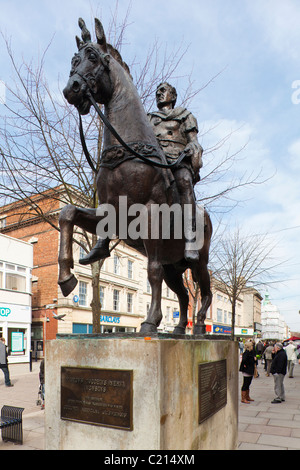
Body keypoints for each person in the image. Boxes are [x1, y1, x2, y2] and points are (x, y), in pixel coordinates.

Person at [148, 82, 203, 262]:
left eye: (163, 91)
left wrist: (191, 150)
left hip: (177, 159)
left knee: (184, 182)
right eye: (157, 92)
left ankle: (190, 239)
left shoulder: (184, 115)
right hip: (155, 160)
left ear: (173, 95)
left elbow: (193, 140)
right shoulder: (149, 118)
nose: (159, 94)